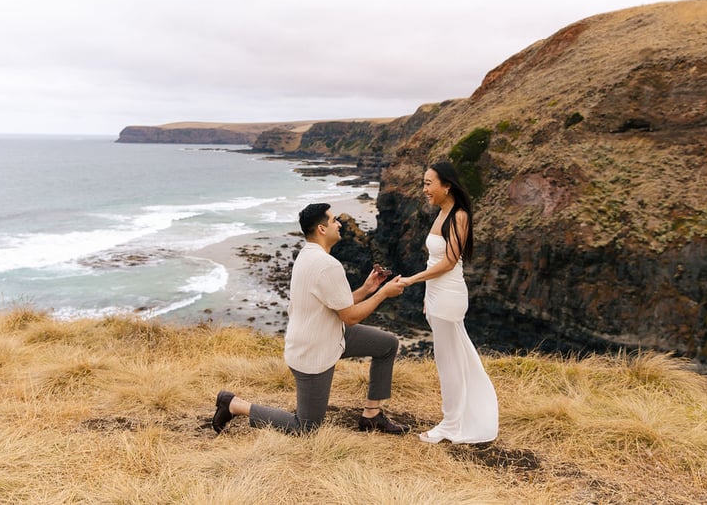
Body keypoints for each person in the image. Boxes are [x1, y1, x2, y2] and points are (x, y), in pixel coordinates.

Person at [211, 203, 410, 435]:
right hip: (313, 350)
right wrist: (384, 293)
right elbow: (350, 316)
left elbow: (338, 303)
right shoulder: (327, 265)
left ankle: (372, 415)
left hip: (332, 335)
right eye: (334, 220)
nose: (339, 224)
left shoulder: (307, 255)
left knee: (387, 344)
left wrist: (367, 289)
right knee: (306, 427)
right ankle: (233, 404)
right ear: (322, 229)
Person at [400, 161, 499, 444]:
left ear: (447, 185)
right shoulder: (442, 213)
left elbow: (449, 262)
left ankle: (453, 423)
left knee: (450, 361)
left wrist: (411, 280)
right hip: (436, 295)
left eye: (429, 183)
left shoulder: (459, 216)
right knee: (450, 358)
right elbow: (435, 260)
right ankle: (458, 417)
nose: (424, 189)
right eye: (423, 183)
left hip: (449, 293)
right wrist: (426, 297)